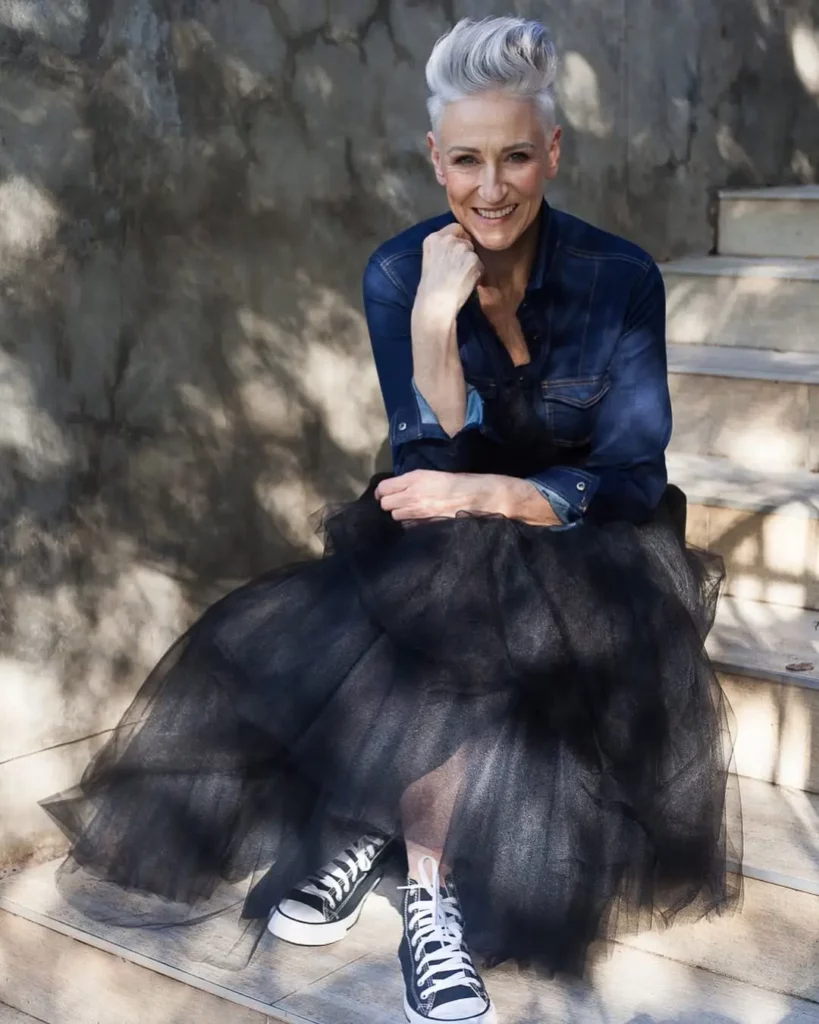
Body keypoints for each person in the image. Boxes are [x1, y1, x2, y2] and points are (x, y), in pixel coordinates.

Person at [43, 16, 740, 1024]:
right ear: (434, 159)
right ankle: (415, 861)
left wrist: (504, 495)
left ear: (552, 151)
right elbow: (432, 453)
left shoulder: (620, 277)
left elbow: (632, 471)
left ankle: (420, 885)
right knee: (452, 566)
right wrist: (428, 319)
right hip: (450, 524)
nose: (490, 186)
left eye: (513, 156)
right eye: (466, 160)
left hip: (595, 537)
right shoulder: (396, 271)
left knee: (472, 564)